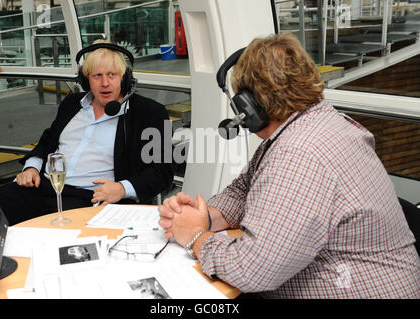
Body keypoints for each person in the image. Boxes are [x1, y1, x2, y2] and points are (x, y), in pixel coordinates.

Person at [158, 33, 420, 298]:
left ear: (248, 105)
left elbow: (253, 270)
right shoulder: (310, 123)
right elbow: (244, 188)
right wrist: (207, 216)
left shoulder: (299, 152)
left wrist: (195, 237)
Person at [0, 40, 174, 225]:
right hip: (42, 185)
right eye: (97, 76)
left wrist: (121, 188)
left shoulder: (150, 112)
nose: (105, 83)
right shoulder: (72, 103)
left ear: (124, 78)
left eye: (112, 75)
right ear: (86, 80)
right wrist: (31, 167)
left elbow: (162, 171)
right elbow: (47, 142)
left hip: (89, 198)